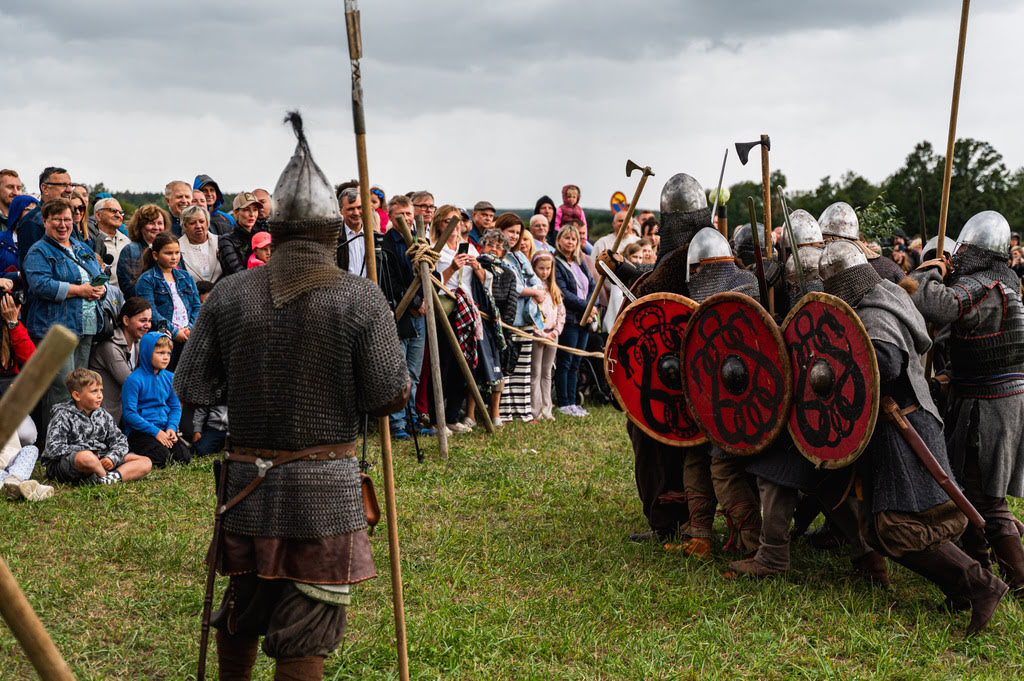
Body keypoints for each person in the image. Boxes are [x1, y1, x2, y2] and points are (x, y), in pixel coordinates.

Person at [174, 114, 410, 680]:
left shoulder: (231, 294)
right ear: (333, 230)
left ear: (274, 227)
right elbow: (388, 395)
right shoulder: (360, 298)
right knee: (309, 620)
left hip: (246, 480)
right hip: (324, 484)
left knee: (246, 601)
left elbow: (192, 386)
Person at [821, 239, 1009, 635]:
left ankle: (980, 584)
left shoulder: (873, 313)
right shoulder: (889, 294)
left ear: (842, 280)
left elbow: (885, 363)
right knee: (885, 526)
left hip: (903, 429)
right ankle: (961, 589)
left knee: (900, 528)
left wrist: (838, 366)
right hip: (910, 422)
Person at [910, 210, 1024, 598]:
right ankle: (983, 568)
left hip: (990, 405)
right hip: (988, 398)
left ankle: (1020, 580)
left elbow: (932, 303)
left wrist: (930, 268)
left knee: (986, 500)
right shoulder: (1002, 284)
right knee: (970, 489)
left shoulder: (986, 287)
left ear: (975, 251)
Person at [23, 198, 106, 418]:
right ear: (44, 221)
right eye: (56, 219)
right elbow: (41, 285)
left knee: (81, 389)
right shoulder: (38, 251)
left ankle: (74, 440)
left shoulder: (81, 247)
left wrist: (101, 290)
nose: (62, 224)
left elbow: (98, 275)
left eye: (67, 219)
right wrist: (81, 291)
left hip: (86, 325)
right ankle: (54, 443)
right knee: (61, 388)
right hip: (55, 329)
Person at [42, 368, 152, 486]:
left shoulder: (103, 415)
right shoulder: (62, 415)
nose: (100, 395)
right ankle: (103, 476)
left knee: (145, 462)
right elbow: (53, 448)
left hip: (101, 459)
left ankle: (105, 479)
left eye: (101, 390)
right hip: (70, 464)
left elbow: (120, 441)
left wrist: (112, 458)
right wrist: (87, 451)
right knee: (87, 457)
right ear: (77, 395)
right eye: (94, 391)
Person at [433, 205, 481, 433]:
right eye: (447, 221)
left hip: (466, 311)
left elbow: (481, 281)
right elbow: (431, 283)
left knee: (462, 367)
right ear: (438, 224)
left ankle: (452, 416)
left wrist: (477, 266)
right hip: (446, 309)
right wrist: (452, 267)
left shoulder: (470, 247)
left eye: (457, 221)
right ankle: (437, 419)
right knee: (442, 365)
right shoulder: (435, 249)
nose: (453, 226)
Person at [496, 213, 544, 423]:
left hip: (526, 318)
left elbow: (535, 279)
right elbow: (511, 287)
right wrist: (534, 292)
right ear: (500, 231)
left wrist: (536, 290)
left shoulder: (520, 256)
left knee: (524, 368)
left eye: (518, 232)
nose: (514, 236)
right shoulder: (498, 256)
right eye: (511, 232)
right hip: (509, 319)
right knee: (508, 366)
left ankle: (522, 410)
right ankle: (505, 411)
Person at [121, 331, 190, 467]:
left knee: (184, 458)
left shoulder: (170, 377)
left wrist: (171, 428)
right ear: (147, 353)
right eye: (160, 353)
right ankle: (131, 453)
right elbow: (129, 414)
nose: (165, 357)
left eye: (168, 353)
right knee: (162, 458)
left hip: (163, 428)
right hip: (140, 432)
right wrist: (156, 432)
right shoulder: (134, 380)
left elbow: (175, 407)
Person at [135, 232, 201, 369]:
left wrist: (190, 329)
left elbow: (196, 306)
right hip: (163, 339)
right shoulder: (147, 280)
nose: (174, 257)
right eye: (168, 253)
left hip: (188, 336)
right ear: (155, 255)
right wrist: (175, 333)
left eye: (177, 252)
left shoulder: (186, 277)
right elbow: (151, 312)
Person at [552, 223, 595, 417]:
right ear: (559, 240)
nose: (570, 242)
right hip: (569, 318)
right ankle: (564, 402)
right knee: (566, 361)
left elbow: (592, 283)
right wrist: (586, 306)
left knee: (577, 362)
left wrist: (591, 305)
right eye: (567, 238)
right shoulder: (556, 262)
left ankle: (573, 402)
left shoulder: (579, 262)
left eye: (574, 239)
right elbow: (564, 292)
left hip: (585, 319)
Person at [89, 297, 152, 424]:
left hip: (124, 413)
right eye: (143, 320)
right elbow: (131, 382)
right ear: (126, 320)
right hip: (104, 417)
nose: (148, 325)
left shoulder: (138, 342)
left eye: (150, 321)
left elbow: (153, 371)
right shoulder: (110, 346)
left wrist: (161, 344)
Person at [529, 251, 564, 421]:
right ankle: (535, 410)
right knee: (535, 371)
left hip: (552, 335)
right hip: (539, 336)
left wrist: (555, 332)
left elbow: (561, 313)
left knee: (547, 372)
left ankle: (547, 409)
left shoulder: (554, 290)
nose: (544, 272)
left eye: (548, 268)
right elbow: (532, 314)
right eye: (541, 268)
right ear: (534, 268)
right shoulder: (534, 289)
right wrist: (541, 334)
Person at [17, 167, 73, 267]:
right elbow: (32, 269)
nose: (69, 190)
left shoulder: (71, 224)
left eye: (70, 185)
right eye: (63, 185)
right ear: (45, 188)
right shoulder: (31, 222)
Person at [116, 204, 171, 298]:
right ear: (140, 226)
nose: (156, 227)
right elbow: (128, 287)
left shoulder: (172, 249)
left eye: (160, 223)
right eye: (151, 223)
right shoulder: (130, 251)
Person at [219, 192, 266, 276]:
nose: (252, 214)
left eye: (255, 210)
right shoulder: (226, 241)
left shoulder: (264, 236)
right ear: (236, 213)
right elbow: (237, 273)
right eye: (246, 209)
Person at [177, 205, 223, 284]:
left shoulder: (221, 242)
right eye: (192, 223)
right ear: (184, 226)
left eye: (201, 221)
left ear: (207, 222)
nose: (198, 226)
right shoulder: (177, 247)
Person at [92, 197, 130, 285]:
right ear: (98, 215)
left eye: (121, 212)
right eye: (113, 211)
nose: (118, 215)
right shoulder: (90, 240)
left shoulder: (127, 241)